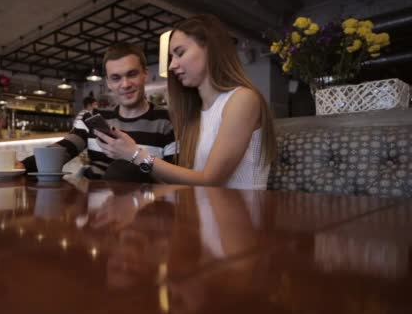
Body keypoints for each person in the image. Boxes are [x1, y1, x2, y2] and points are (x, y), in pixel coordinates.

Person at [95, 15, 277, 189]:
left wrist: (135, 154)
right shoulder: (195, 112)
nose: (172, 65)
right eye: (171, 57)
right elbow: (184, 181)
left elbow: (210, 180)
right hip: (200, 213)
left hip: (241, 216)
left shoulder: (242, 99)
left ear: (209, 48)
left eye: (180, 53)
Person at [20, 42, 176, 181]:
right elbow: (64, 148)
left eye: (132, 74)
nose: (125, 84)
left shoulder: (168, 121)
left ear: (145, 74)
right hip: (94, 209)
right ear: (108, 82)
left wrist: (134, 155)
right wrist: (20, 166)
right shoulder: (93, 118)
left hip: (144, 208)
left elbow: (173, 178)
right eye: (116, 78)